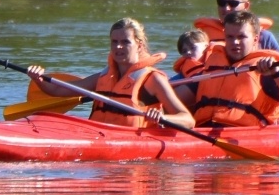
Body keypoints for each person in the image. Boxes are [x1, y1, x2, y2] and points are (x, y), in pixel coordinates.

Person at [26, 17, 193, 129]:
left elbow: (187, 120)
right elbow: (57, 91)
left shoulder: (153, 79)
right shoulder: (103, 77)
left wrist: (163, 118)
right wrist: (39, 78)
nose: (118, 47)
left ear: (139, 45)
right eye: (114, 42)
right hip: (97, 135)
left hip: (135, 140)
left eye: (125, 42)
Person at [175, 9, 279, 126]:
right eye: (230, 37)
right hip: (203, 131)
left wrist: (278, 74)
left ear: (255, 39)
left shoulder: (265, 69)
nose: (235, 42)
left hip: (243, 134)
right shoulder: (212, 63)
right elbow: (176, 99)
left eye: (241, 37)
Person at [195, 0, 279, 52]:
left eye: (233, 4)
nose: (226, 8)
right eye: (221, 3)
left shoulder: (265, 38)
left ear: (246, 6)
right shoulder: (202, 37)